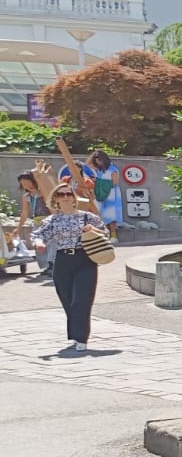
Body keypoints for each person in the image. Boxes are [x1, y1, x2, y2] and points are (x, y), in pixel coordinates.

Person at [31, 183, 107, 355]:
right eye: (61, 194)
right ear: (56, 199)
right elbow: (38, 234)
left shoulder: (87, 217)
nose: (65, 197)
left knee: (82, 300)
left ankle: (81, 338)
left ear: (74, 197)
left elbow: (105, 233)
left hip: (85, 260)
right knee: (67, 300)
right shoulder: (52, 220)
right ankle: (75, 332)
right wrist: (39, 242)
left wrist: (91, 229)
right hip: (63, 260)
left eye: (68, 193)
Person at [86, 150, 124, 241]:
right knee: (100, 214)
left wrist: (100, 182)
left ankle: (114, 236)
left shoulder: (112, 169)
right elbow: (87, 164)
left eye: (99, 159)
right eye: (96, 160)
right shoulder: (100, 169)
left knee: (111, 214)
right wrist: (94, 154)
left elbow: (115, 182)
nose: (97, 162)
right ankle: (104, 235)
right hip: (100, 193)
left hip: (111, 194)